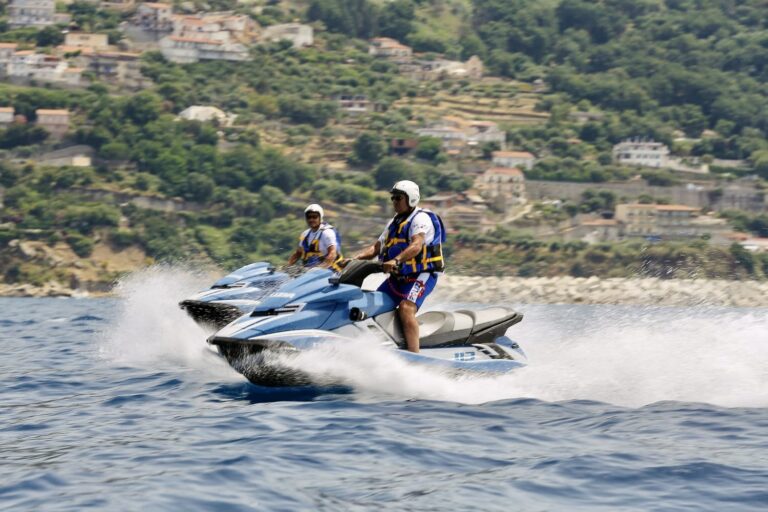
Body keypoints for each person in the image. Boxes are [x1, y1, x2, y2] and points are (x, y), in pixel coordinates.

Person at [353, 180, 446, 353]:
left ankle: (415, 355)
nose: (394, 201)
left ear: (411, 199)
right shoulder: (394, 223)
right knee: (371, 303)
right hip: (398, 278)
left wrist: (395, 260)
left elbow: (417, 245)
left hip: (421, 276)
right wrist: (353, 259)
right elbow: (376, 248)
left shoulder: (420, 218)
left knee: (406, 308)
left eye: (398, 198)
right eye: (393, 198)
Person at [287, 203, 344, 272]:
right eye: (309, 217)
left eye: (314, 217)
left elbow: (332, 253)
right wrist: (287, 267)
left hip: (330, 272)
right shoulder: (305, 234)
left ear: (320, 217)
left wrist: (320, 269)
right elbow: (297, 254)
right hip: (311, 274)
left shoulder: (327, 232)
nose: (311, 219)